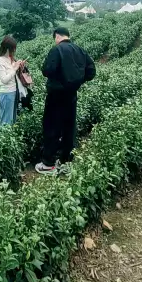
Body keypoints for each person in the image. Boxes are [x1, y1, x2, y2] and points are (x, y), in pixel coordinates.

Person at [35, 27, 96, 175]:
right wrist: (78, 81)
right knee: (69, 127)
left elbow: (47, 70)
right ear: (68, 36)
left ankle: (48, 164)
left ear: (57, 36)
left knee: (52, 126)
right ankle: (66, 162)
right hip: (71, 95)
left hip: (56, 95)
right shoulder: (79, 50)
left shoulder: (57, 50)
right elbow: (91, 71)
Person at [0, 35, 24, 126]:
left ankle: (9, 138)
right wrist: (14, 68)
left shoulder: (10, 58)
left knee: (12, 119)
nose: (14, 50)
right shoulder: (0, 60)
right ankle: (2, 139)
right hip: (6, 93)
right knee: (5, 121)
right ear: (8, 48)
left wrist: (20, 67)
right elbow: (4, 80)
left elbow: (14, 76)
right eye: (13, 48)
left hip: (14, 91)